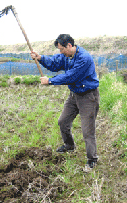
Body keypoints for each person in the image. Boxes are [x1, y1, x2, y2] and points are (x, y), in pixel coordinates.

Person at [30, 34, 100, 168]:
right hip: (74, 94)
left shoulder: (84, 58)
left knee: (87, 130)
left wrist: (50, 81)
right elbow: (54, 64)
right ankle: (69, 146)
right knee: (63, 121)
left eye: (62, 49)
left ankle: (92, 159)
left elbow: (71, 76)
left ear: (69, 45)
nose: (60, 52)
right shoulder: (66, 56)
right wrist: (40, 58)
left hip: (88, 97)